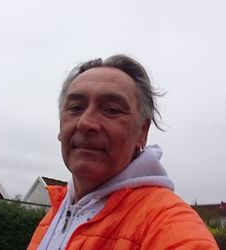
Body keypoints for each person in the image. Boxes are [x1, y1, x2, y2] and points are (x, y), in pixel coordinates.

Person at [28, 55, 219, 249]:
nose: (85, 123)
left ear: (142, 133)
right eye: (75, 108)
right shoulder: (53, 217)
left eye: (111, 110)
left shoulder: (168, 226)